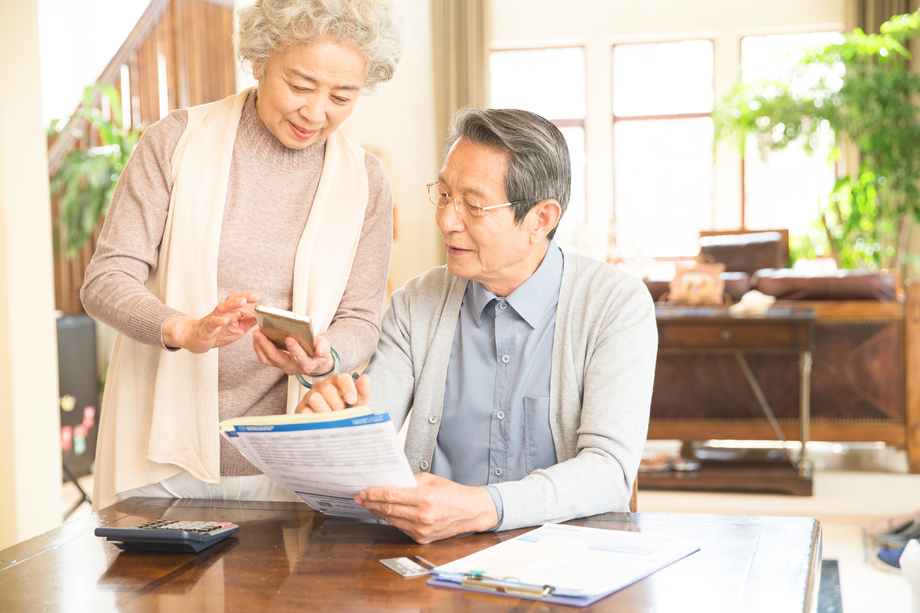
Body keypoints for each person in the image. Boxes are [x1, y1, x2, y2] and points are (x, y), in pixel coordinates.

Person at [82, 0, 408, 510]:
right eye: (300, 86)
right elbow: (106, 279)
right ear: (258, 61)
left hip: (289, 462)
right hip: (160, 456)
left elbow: (362, 316)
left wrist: (325, 354)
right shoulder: (174, 142)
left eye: (342, 95)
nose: (316, 112)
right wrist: (183, 330)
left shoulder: (365, 182)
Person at [299, 108, 658, 543]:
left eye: (473, 204)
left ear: (541, 219)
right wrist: (334, 428)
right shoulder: (415, 303)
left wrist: (483, 508)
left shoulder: (614, 304)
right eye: (445, 195)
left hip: (565, 558)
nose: (447, 220)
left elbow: (609, 471)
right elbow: (373, 423)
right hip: (431, 558)